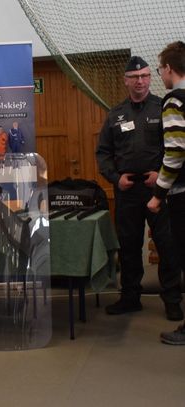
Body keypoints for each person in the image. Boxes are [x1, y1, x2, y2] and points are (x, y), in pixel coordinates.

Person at [96, 56, 182, 320]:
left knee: (167, 246)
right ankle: (130, 297)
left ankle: (172, 300)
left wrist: (160, 176)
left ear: (150, 78)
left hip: (158, 191)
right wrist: (115, 178)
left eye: (144, 76)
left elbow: (175, 148)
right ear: (126, 81)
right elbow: (103, 153)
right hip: (127, 192)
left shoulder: (162, 107)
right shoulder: (115, 114)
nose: (140, 81)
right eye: (134, 77)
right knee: (129, 247)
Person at [147, 41, 185, 344]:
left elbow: (175, 152)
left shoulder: (174, 101)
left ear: (169, 69)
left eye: (160, 70)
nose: (160, 75)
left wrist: (158, 194)